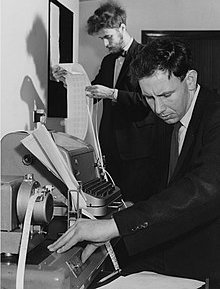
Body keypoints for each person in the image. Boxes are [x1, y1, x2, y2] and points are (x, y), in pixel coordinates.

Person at [48, 38, 220, 282]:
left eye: (165, 95)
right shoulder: (171, 115)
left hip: (207, 259)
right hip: (176, 246)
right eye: (149, 98)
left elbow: (202, 188)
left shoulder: (215, 115)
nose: (158, 108)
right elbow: (167, 186)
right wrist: (131, 207)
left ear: (190, 80)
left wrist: (114, 226)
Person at [53, 0, 155, 203]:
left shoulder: (146, 55)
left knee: (136, 205)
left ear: (122, 27)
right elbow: (94, 92)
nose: (105, 44)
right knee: (113, 204)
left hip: (138, 149)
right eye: (102, 39)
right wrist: (69, 81)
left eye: (107, 37)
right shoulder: (109, 60)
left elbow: (148, 101)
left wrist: (112, 93)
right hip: (109, 146)